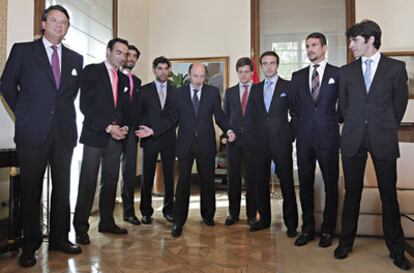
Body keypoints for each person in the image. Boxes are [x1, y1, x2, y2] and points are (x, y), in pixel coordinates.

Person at [0, 5, 83, 267]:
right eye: (55, 20)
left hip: (64, 133)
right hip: (32, 132)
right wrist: (23, 114)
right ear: (44, 23)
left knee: (62, 188)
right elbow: (6, 85)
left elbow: (68, 97)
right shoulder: (23, 51)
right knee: (30, 189)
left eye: (65, 22)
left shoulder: (75, 58)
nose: (60, 25)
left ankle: (60, 237)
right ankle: (29, 244)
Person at [334, 20, 411, 271]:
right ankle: (345, 243)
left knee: (389, 196)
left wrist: (384, 125)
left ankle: (397, 250)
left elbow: (399, 105)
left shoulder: (396, 68)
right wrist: (358, 122)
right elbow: (343, 108)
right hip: (353, 137)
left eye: (354, 40)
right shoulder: (346, 72)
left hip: (383, 137)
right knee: (351, 194)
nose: (350, 45)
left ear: (370, 40)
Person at [139, 63, 236, 237]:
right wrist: (154, 130)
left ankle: (208, 215)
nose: (198, 80)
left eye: (201, 76)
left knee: (207, 180)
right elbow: (171, 119)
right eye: (195, 76)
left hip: (206, 143)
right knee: (183, 182)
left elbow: (219, 116)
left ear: (205, 76)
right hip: (184, 144)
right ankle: (178, 221)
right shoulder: (179, 93)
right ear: (189, 75)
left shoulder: (212, 92)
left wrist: (228, 130)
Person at [73, 38, 130, 245]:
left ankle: (106, 221)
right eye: (119, 52)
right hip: (95, 134)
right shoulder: (91, 71)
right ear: (108, 51)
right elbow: (85, 106)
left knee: (111, 180)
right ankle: (80, 227)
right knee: (88, 181)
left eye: (125, 54)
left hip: (116, 138)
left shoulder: (123, 79)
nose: (122, 57)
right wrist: (108, 126)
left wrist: (123, 127)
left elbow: (123, 109)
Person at [290, 32, 340, 248]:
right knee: (306, 185)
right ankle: (307, 229)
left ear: (324, 47)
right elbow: (294, 107)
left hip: (328, 138)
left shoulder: (338, 74)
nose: (310, 49)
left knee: (331, 185)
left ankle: (328, 231)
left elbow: (344, 106)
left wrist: (331, 121)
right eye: (307, 45)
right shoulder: (297, 76)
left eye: (314, 45)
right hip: (304, 140)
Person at [249, 51, 298, 236]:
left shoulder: (289, 86)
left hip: (281, 142)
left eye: (272, 63)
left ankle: (291, 224)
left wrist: (289, 136)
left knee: (286, 183)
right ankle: (264, 220)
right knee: (260, 183)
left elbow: (296, 114)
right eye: (265, 63)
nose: (269, 66)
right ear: (261, 66)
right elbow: (252, 118)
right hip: (260, 144)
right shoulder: (255, 89)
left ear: (277, 65)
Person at [135, 56, 177, 224]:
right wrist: (144, 130)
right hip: (149, 140)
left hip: (168, 139)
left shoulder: (176, 91)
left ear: (169, 71)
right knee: (147, 176)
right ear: (154, 70)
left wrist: (154, 130)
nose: (163, 72)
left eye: (166, 69)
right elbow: (138, 114)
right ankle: (146, 211)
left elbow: (175, 118)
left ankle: (169, 210)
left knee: (169, 175)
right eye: (159, 68)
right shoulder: (144, 90)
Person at [223, 57, 257, 227]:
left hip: (253, 142)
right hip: (234, 142)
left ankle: (252, 215)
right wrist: (228, 132)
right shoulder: (229, 93)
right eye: (240, 72)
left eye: (246, 71)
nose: (243, 75)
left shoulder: (258, 90)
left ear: (252, 72)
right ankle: (233, 214)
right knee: (233, 179)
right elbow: (225, 117)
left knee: (252, 179)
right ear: (237, 73)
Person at [119, 45, 142, 225]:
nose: (131, 59)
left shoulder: (138, 81)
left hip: (132, 133)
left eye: (135, 56)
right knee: (109, 174)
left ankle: (129, 212)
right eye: (129, 55)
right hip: (114, 130)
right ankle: (106, 216)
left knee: (129, 172)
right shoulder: (113, 76)